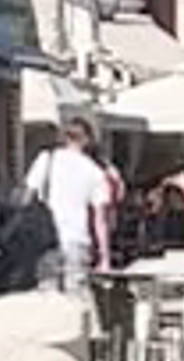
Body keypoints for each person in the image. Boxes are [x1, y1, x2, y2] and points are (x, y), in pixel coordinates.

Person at [28, 117, 122, 290]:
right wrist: (105, 257)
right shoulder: (94, 172)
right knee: (76, 302)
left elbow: (28, 195)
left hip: (46, 239)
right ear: (87, 140)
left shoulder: (46, 160)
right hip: (77, 240)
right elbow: (100, 220)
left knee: (47, 298)